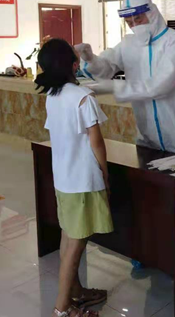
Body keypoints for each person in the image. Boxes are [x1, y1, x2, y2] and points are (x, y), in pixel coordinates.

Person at [36, 39, 113, 317]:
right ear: (74, 64)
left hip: (64, 180)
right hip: (82, 182)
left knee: (67, 239)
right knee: (75, 246)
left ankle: (77, 292)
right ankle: (62, 308)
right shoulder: (82, 96)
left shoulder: (52, 96)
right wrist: (105, 174)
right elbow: (96, 142)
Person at [75, 0, 175, 155]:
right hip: (146, 133)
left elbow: (160, 86)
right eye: (129, 22)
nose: (134, 26)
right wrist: (90, 59)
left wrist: (114, 87)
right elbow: (106, 67)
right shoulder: (129, 44)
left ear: (152, 13)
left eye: (138, 19)